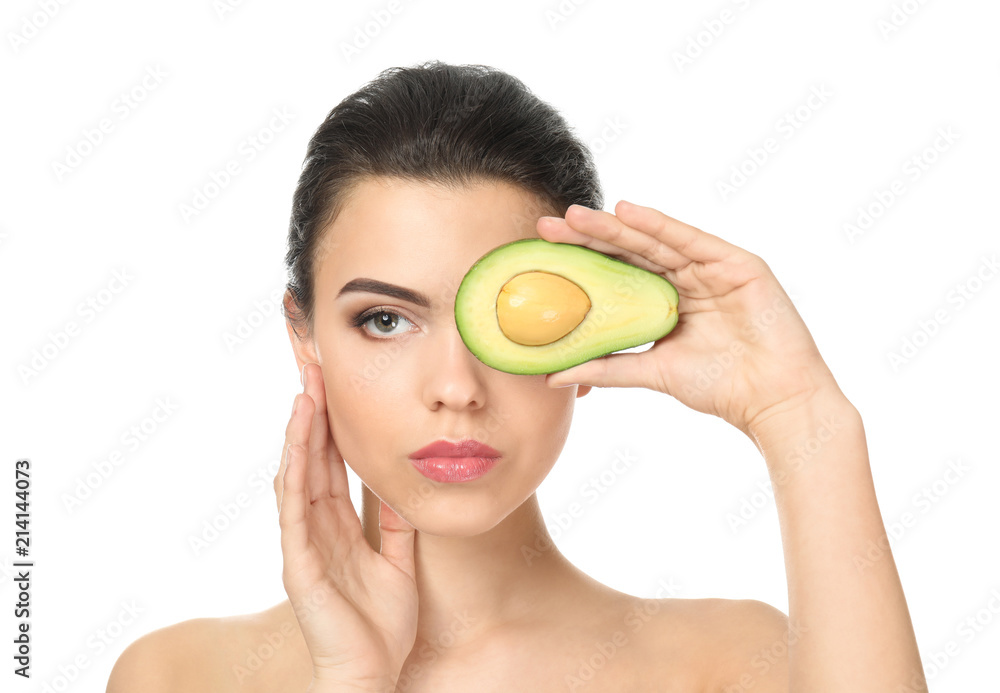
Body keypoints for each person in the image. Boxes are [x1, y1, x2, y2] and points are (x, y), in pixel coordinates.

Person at [107, 60, 926, 693]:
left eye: (507, 317)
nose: (456, 387)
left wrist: (802, 417)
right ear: (305, 336)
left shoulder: (731, 662)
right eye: (385, 319)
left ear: (588, 332)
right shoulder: (177, 675)